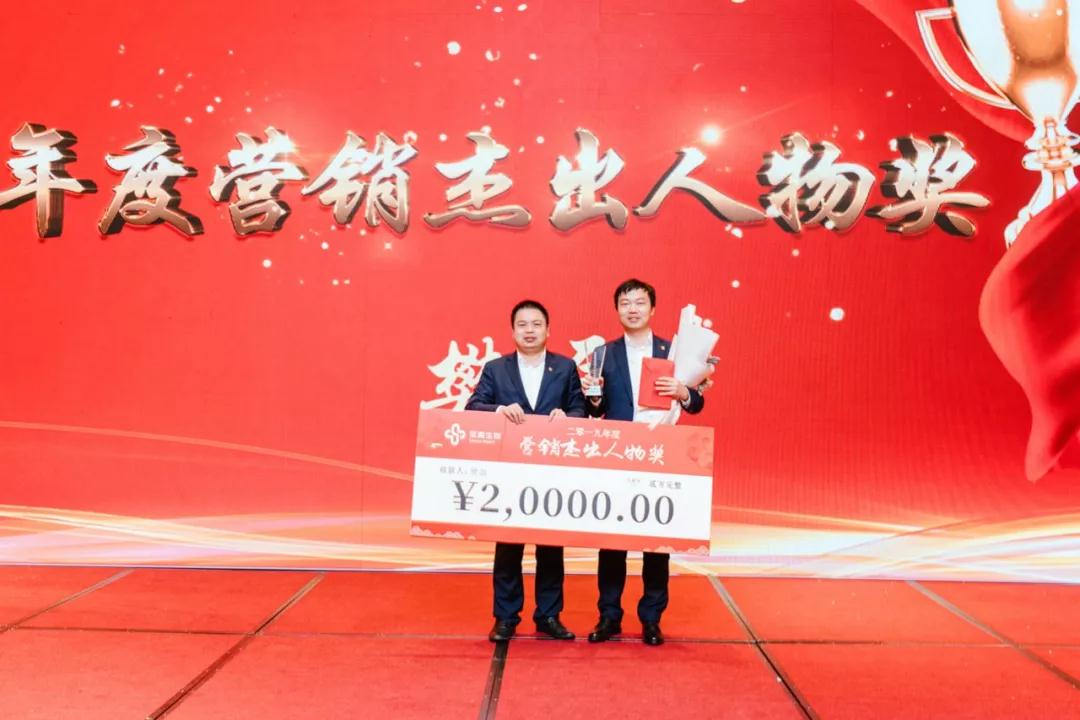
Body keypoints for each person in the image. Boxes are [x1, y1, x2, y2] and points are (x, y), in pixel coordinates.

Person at [580, 278, 705, 646]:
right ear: (617, 310)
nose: (632, 309)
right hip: (618, 454)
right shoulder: (603, 353)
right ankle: (609, 617)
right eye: (625, 303)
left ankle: (651, 619)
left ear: (652, 309)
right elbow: (594, 409)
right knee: (611, 541)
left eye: (639, 302)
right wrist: (593, 396)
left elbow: (697, 403)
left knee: (656, 543)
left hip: (660, 456)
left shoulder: (673, 351)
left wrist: (683, 392)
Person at [466, 299, 587, 642]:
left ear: (548, 330)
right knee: (508, 546)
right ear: (513, 330)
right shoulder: (496, 368)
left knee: (551, 546)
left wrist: (567, 417)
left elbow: (580, 408)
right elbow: (473, 406)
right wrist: (499, 410)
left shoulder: (565, 367)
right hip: (510, 471)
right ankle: (505, 617)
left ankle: (549, 616)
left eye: (536, 324)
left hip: (552, 470)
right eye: (522, 325)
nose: (529, 330)